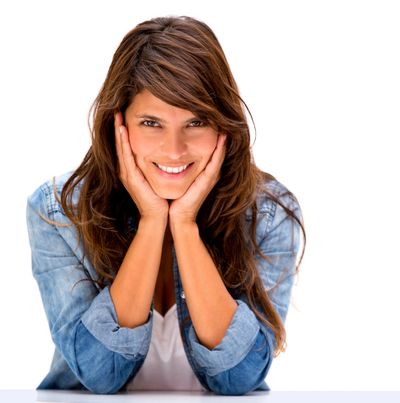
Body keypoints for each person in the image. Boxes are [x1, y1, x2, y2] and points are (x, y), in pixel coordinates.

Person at [26, 15, 306, 395]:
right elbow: (100, 373)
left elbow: (238, 378)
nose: (174, 150)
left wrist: (185, 225)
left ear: (224, 125)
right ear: (118, 125)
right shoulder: (58, 214)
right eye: (151, 123)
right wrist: (152, 221)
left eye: (196, 122)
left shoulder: (268, 214)